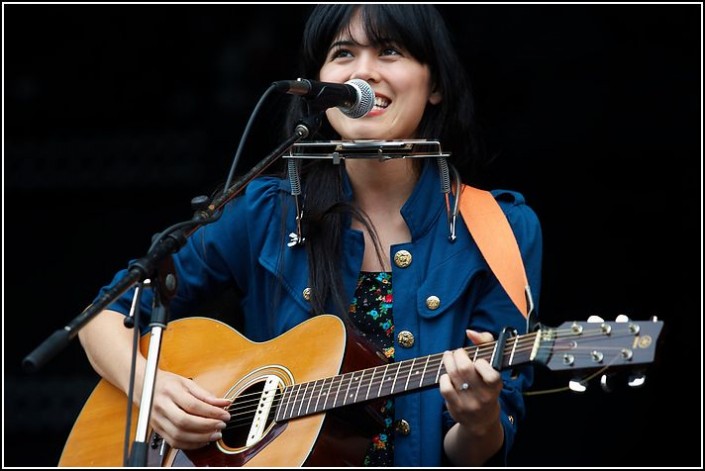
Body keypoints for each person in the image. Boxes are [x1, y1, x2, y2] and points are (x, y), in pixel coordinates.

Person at [78, 4, 542, 467]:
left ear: (435, 84)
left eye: (389, 51)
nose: (364, 72)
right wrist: (154, 390)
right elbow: (101, 319)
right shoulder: (266, 212)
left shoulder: (500, 228)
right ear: (319, 87)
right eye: (343, 54)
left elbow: (479, 448)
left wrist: (479, 419)